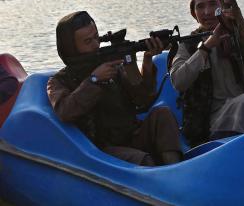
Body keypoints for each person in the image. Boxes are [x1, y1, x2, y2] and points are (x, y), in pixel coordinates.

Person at [47, 11, 182, 166]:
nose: (96, 45)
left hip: (131, 136)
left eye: (96, 37)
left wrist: (146, 60)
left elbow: (142, 99)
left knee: (162, 114)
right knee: (144, 161)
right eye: (87, 41)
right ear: (71, 47)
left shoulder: (111, 67)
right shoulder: (59, 81)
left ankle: (175, 169)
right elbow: (65, 111)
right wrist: (94, 80)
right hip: (100, 149)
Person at [170, 0, 244, 147]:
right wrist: (207, 47)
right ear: (194, 13)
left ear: (223, 7)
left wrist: (240, 25)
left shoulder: (238, 34)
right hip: (211, 124)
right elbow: (178, 81)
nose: (207, 12)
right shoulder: (188, 45)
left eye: (213, 4)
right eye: (200, 7)